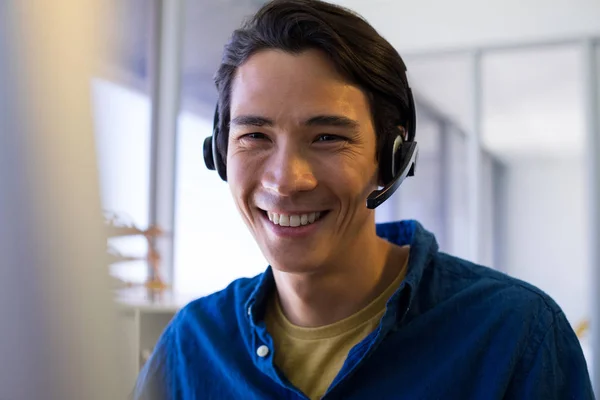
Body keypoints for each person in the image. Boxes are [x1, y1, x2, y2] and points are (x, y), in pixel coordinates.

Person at [134, 0, 594, 398]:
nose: (286, 180)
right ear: (219, 152)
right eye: (254, 135)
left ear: (391, 158)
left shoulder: (517, 335)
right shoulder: (190, 348)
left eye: (328, 137)